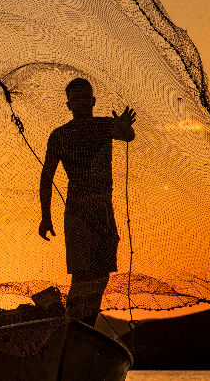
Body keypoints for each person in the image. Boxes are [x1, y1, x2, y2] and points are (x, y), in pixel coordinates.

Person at [38, 78, 135, 327]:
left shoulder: (105, 126)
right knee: (82, 275)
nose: (81, 101)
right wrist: (45, 216)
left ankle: (86, 328)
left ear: (93, 100)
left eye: (86, 97)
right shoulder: (60, 135)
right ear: (69, 104)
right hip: (77, 212)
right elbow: (47, 176)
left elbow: (128, 135)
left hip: (104, 212)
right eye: (76, 98)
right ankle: (71, 326)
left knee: (101, 275)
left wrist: (124, 125)